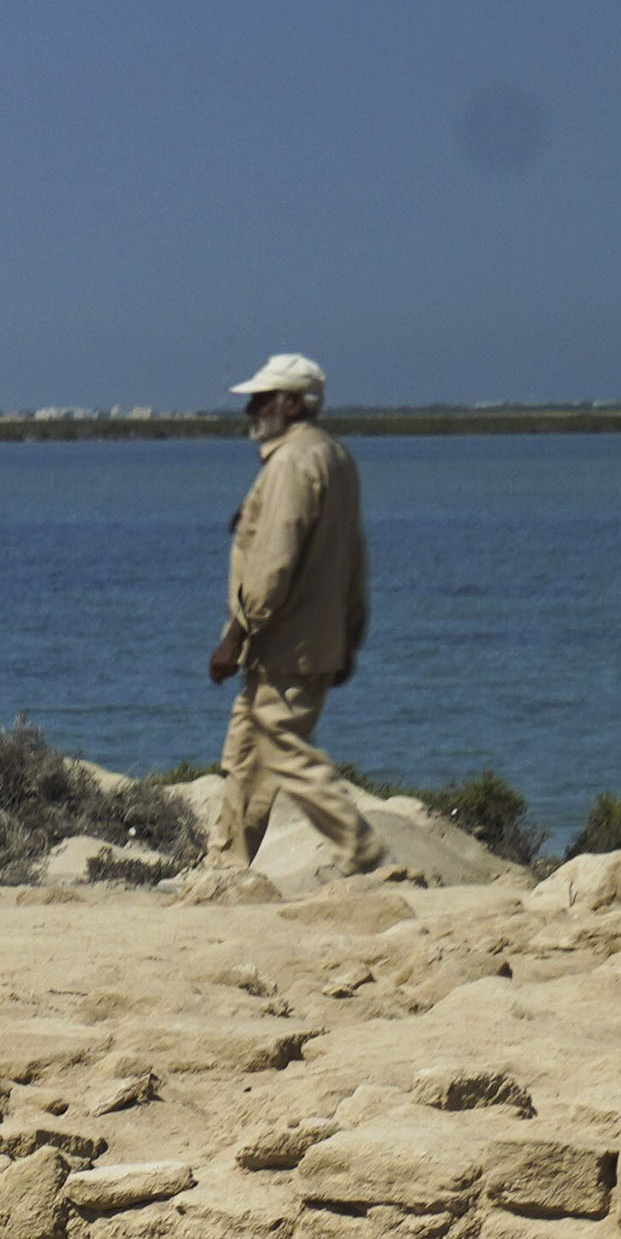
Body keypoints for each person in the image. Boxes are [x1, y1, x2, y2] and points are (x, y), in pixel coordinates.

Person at [199, 353, 385, 888]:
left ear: (293, 403)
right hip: (310, 638)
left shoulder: (290, 464)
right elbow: (354, 554)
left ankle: (361, 848)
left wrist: (235, 635)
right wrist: (351, 632)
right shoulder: (336, 459)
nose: (253, 410)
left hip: (285, 641)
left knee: (280, 748)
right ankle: (225, 867)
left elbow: (273, 560)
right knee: (245, 757)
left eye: (263, 398)